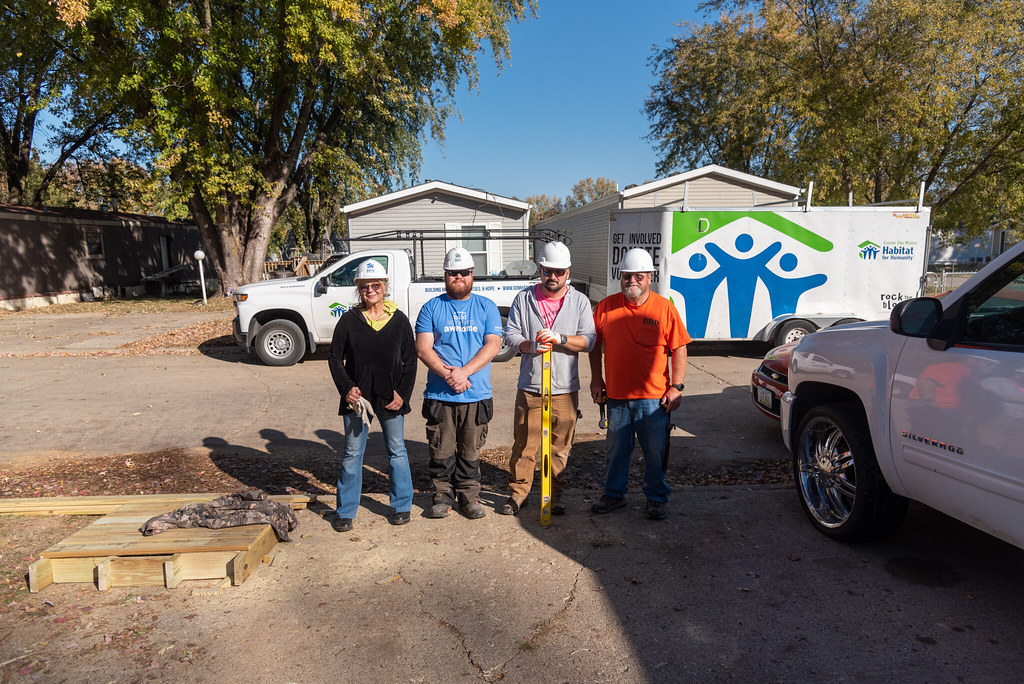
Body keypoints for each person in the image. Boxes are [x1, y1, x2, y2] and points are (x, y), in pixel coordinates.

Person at [589, 247, 691, 520]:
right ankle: (614, 495)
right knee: (616, 451)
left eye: (639, 276)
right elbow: (594, 344)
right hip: (617, 396)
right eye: (627, 276)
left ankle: (656, 498)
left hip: (654, 399)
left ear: (649, 278)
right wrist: (596, 379)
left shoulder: (664, 308)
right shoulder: (606, 307)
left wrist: (677, 387)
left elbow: (679, 347)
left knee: (655, 452)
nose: (632, 280)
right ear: (620, 277)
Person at [501, 241, 596, 516]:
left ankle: (554, 496)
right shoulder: (524, 298)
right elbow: (511, 335)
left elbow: (589, 340)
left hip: (565, 388)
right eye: (546, 271)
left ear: (568, 272)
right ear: (539, 270)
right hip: (530, 386)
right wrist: (529, 346)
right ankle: (518, 494)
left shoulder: (579, 302)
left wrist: (562, 338)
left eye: (558, 272)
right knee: (524, 444)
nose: (552, 277)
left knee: (559, 446)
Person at [328, 259, 417, 532]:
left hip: (389, 396)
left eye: (375, 285)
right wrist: (347, 388)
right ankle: (345, 512)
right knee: (352, 454)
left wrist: (402, 394)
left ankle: (401, 506)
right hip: (359, 398)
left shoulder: (399, 320)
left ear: (385, 286)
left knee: (397, 451)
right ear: (358, 289)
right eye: (364, 286)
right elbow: (334, 359)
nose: (370, 290)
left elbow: (410, 360)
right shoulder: (349, 320)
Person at [415, 247, 503, 519]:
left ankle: (469, 496)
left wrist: (464, 372)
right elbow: (423, 348)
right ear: (445, 275)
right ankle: (442, 495)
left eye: (464, 272)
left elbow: (493, 344)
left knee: (470, 450)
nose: (459, 277)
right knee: (440, 449)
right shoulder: (431, 307)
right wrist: (449, 375)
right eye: (453, 273)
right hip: (441, 394)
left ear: (472, 275)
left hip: (475, 394)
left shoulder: (486, 306)